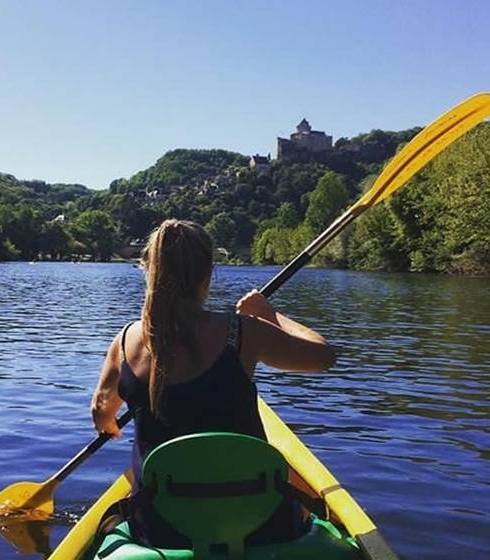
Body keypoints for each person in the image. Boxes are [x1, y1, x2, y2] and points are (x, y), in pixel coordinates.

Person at [91, 219, 336, 547]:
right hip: (260, 524)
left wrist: (111, 423)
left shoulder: (124, 342)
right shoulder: (245, 332)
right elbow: (324, 356)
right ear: (208, 275)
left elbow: (100, 412)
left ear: (149, 270)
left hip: (161, 528)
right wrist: (270, 314)